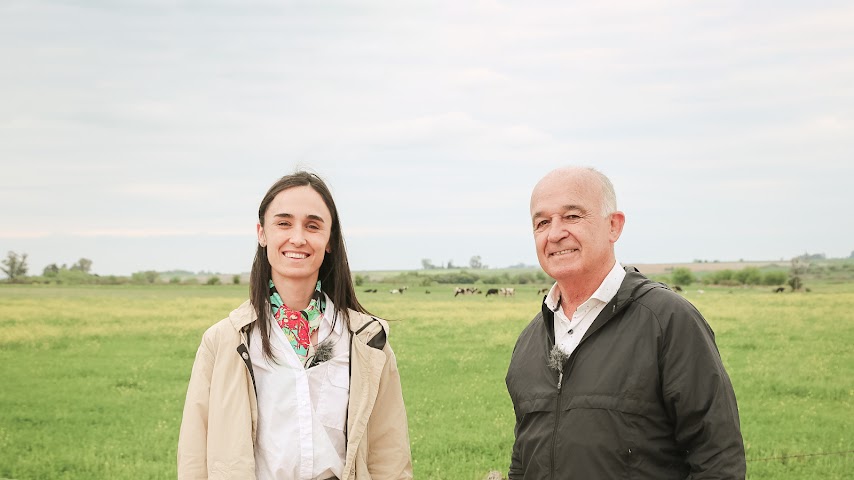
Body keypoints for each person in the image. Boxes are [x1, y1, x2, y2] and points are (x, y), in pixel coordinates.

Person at [505, 166, 745, 479]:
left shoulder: (667, 321)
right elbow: (523, 462)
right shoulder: (530, 341)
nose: (555, 233)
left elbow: (718, 460)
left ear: (614, 226)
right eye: (542, 222)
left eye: (572, 216)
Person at [178, 171, 412, 480]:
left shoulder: (367, 343)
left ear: (329, 240)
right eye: (284, 223)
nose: (298, 238)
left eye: (313, 226)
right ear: (262, 234)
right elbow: (195, 456)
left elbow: (389, 455)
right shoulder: (224, 341)